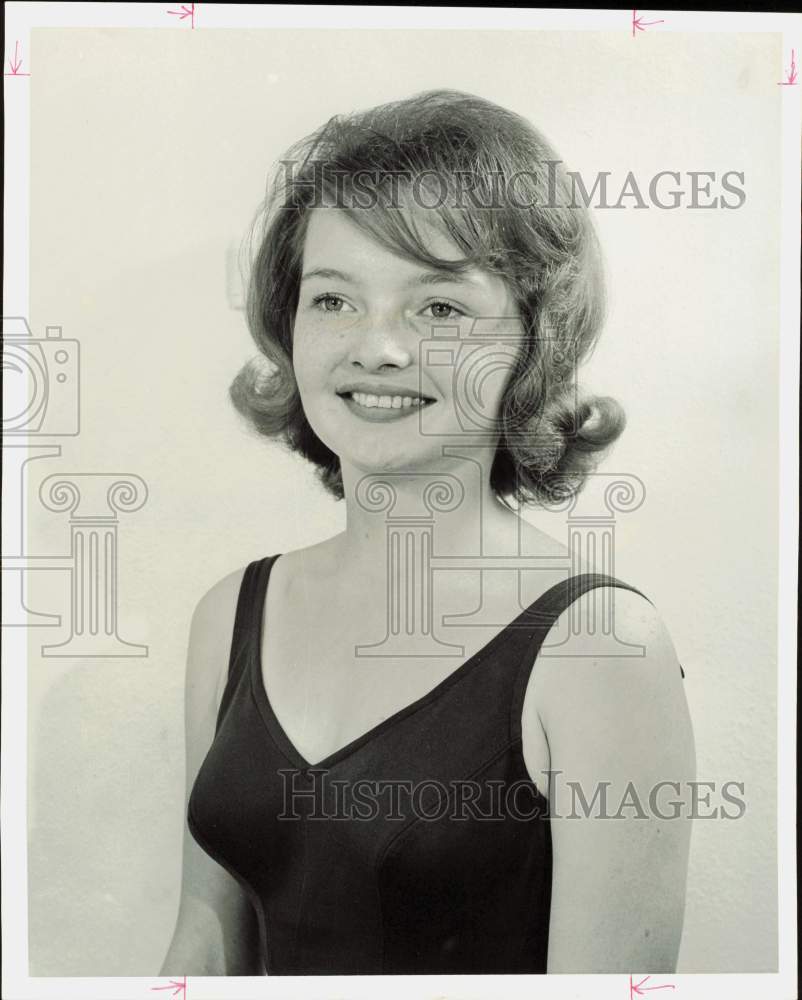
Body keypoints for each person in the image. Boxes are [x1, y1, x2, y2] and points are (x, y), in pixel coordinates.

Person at [160, 89, 695, 976]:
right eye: (333, 300)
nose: (377, 348)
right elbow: (204, 941)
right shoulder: (230, 613)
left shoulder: (601, 648)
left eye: (439, 309)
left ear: (533, 343)